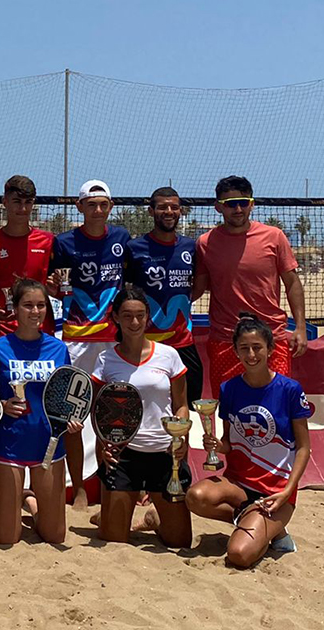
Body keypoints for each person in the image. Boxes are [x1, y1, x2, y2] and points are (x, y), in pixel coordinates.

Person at [186, 314, 311, 568]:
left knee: (239, 555)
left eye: (257, 347)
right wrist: (216, 446)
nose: (251, 354)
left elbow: (304, 448)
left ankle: (274, 529)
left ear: (270, 349)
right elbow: (229, 443)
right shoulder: (229, 388)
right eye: (244, 348)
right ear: (235, 351)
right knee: (195, 496)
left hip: (276, 490)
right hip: (239, 483)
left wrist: (287, 491)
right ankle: (254, 522)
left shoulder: (290, 390)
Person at [49, 179, 130, 508]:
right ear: (80, 207)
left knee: (117, 412)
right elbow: (54, 287)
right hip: (77, 337)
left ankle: (119, 483)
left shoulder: (122, 238)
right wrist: (54, 286)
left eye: (103, 204)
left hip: (113, 339)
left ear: (110, 207)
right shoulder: (64, 242)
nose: (98, 210)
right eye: (91, 204)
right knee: (75, 414)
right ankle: (78, 486)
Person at [91, 286, 192, 548]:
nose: (134, 322)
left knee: (179, 541)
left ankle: (150, 517)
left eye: (139, 315)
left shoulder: (169, 355)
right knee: (114, 539)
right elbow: (97, 411)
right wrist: (104, 445)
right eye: (126, 316)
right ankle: (110, 513)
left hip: (163, 454)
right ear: (115, 318)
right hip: (125, 454)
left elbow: (181, 406)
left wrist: (180, 438)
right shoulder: (106, 360)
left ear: (148, 316)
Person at [0, 280, 76, 544]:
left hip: (49, 444)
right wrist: (1, 404)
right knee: (7, 538)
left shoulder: (59, 349)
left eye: (41, 305)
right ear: (16, 309)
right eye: (28, 305)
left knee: (55, 536)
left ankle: (29, 502)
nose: (35, 311)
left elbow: (67, 395)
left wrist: (72, 420)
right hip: (11, 443)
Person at [192, 175, 307, 398]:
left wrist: (301, 328)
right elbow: (197, 288)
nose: (237, 209)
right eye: (230, 204)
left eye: (243, 202)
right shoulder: (205, 243)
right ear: (218, 207)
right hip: (225, 340)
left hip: (271, 338)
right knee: (228, 410)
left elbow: (292, 283)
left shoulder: (274, 237)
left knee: (277, 407)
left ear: (251, 204)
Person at [125, 187, 202, 405]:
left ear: (180, 211)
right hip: (146, 343)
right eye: (162, 207)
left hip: (182, 342)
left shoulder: (190, 246)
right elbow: (124, 289)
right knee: (146, 404)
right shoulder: (135, 247)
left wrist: (182, 303)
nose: (169, 211)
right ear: (151, 211)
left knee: (190, 406)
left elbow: (198, 285)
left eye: (174, 207)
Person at [0, 175, 55, 339]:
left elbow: (57, 287)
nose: (23, 209)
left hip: (41, 331)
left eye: (28, 202)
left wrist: (55, 289)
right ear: (5, 202)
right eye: (17, 201)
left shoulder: (48, 241)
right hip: (1, 332)